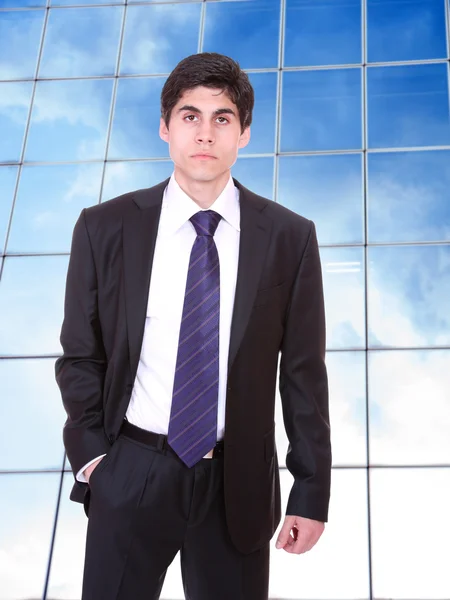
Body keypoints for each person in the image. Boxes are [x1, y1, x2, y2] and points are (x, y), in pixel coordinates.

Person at [55, 52, 331, 600]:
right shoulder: (104, 227)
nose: (205, 133)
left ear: (244, 133)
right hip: (131, 469)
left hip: (238, 482)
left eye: (222, 118)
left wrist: (310, 490)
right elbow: (81, 354)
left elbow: (303, 376)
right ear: (165, 127)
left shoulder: (288, 238)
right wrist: (94, 460)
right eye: (189, 116)